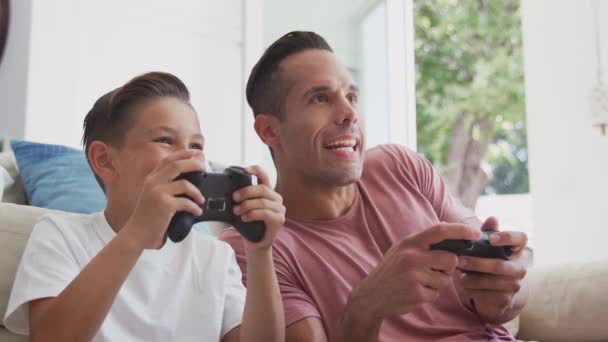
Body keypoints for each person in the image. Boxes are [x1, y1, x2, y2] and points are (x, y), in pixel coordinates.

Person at [221, 31, 529, 341]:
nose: (349, 114)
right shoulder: (256, 245)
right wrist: (367, 306)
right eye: (321, 98)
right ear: (269, 130)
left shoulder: (401, 166)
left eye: (351, 97)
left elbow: (508, 296)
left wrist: (505, 294)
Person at [3, 72, 285, 342]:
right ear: (105, 161)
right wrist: (137, 232)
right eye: (165, 140)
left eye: (196, 145)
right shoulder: (61, 234)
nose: (189, 158)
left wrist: (261, 252)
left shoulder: (215, 256)